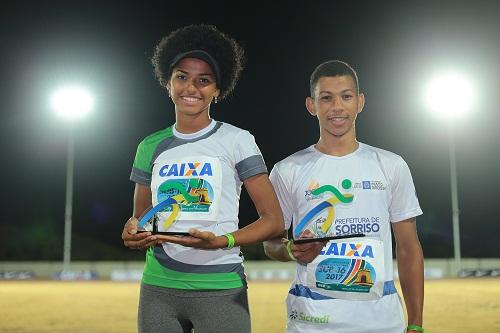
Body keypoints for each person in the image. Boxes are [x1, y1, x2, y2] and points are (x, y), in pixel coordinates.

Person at [121, 24, 284, 333]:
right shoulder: (149, 146)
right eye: (181, 77)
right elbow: (142, 218)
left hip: (221, 288)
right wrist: (133, 231)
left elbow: (274, 220)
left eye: (204, 80)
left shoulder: (238, 140)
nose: (191, 87)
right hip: (158, 289)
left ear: (218, 90)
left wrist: (222, 241)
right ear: (167, 83)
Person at [263, 60, 424, 333]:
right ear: (311, 106)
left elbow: (408, 248)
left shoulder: (391, 165)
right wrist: (290, 249)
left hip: (381, 322)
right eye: (326, 98)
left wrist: (416, 324)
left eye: (346, 96)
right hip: (312, 323)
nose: (337, 106)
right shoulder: (287, 170)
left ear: (360, 102)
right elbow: (270, 243)